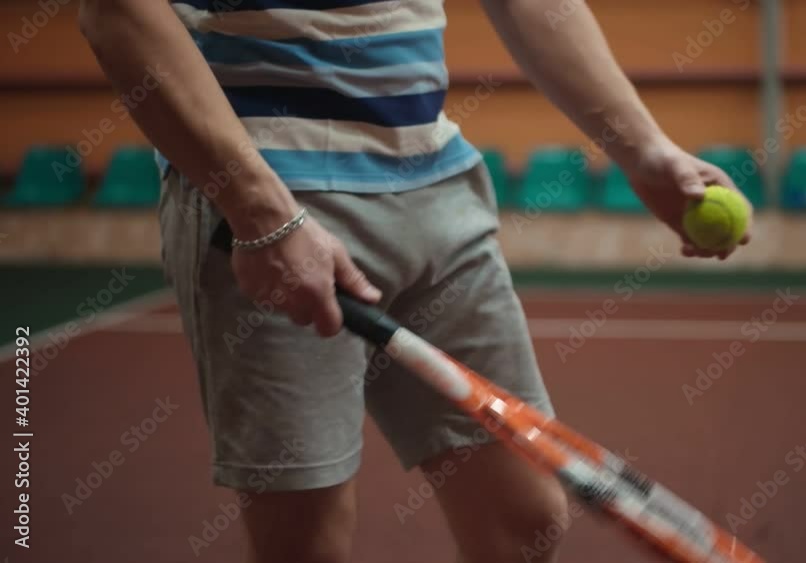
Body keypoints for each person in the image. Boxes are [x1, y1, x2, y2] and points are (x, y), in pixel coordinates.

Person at [79, 1, 750, 561]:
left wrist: (643, 148)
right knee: (307, 543)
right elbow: (115, 12)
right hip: (278, 187)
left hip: (438, 180)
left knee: (525, 522)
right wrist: (261, 213)